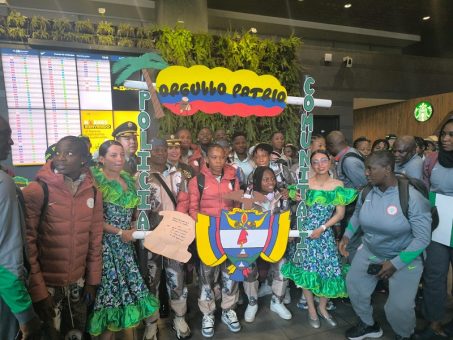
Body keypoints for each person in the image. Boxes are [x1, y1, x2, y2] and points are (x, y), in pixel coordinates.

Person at [339, 151, 431, 340]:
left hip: (405, 256)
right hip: (371, 250)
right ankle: (368, 325)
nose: (366, 173)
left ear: (387, 169)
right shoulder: (366, 192)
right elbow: (357, 214)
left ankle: (405, 334)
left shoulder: (412, 198)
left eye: (370, 169)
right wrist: (347, 235)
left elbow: (422, 238)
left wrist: (395, 263)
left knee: (398, 308)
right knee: (354, 285)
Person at [22, 136, 103, 339]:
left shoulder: (92, 191)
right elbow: (27, 245)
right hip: (48, 286)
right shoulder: (38, 189)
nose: (61, 158)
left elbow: (94, 239)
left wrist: (93, 281)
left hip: (78, 285)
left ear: (84, 159)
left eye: (69, 153)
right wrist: (39, 291)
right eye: (58, 152)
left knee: (76, 333)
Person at [87, 140, 159, 339]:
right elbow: (94, 220)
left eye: (121, 155)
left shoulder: (128, 179)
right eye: (113, 155)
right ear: (101, 159)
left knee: (128, 297)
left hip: (126, 248)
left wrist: (135, 223)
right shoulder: (95, 181)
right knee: (109, 298)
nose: (119, 159)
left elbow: (132, 213)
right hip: (106, 248)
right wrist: (120, 232)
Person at [283, 151, 356, 328]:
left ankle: (323, 307)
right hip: (305, 234)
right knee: (306, 273)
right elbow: (288, 198)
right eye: (315, 162)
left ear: (330, 162)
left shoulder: (337, 184)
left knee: (330, 272)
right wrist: (296, 198)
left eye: (324, 161)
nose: (320, 165)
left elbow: (340, 214)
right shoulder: (305, 183)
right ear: (311, 165)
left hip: (324, 234)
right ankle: (311, 310)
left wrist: (322, 228)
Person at [136, 138, 191, 340]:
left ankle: (179, 317)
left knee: (176, 278)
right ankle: (151, 322)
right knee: (151, 280)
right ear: (148, 153)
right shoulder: (141, 177)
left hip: (174, 236)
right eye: (155, 150)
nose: (160, 152)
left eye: (163, 149)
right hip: (150, 237)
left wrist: (180, 225)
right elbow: (137, 209)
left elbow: (185, 202)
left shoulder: (178, 176)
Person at [187, 144, 241, 338]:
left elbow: (237, 205)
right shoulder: (198, 180)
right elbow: (193, 209)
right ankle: (208, 313)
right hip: (208, 236)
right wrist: (204, 228)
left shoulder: (233, 178)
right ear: (207, 159)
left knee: (230, 274)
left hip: (229, 234)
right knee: (207, 276)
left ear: (226, 158)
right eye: (214, 157)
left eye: (222, 157)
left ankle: (228, 310)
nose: (218, 161)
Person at [0, 116, 41, 340]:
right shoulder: (4, 186)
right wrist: (25, 315)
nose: (11, 143)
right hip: (6, 299)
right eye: (5, 135)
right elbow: (6, 259)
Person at [417, 118, 453, 339]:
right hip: (439, 225)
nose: (446, 138)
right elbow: (425, 189)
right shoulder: (432, 159)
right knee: (434, 274)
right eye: (444, 134)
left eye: (452, 135)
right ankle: (434, 322)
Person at [242, 166, 293, 323]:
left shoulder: (281, 195)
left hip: (275, 239)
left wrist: (287, 234)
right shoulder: (248, 196)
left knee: (282, 266)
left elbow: (287, 216)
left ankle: (276, 302)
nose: (270, 182)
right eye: (265, 179)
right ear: (257, 181)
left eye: (272, 178)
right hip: (254, 240)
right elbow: (244, 219)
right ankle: (252, 303)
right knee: (248, 267)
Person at [326, 131, 367, 261]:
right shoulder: (350, 154)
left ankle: (353, 273)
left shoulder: (349, 161)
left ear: (331, 146)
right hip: (352, 208)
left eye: (327, 146)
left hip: (355, 209)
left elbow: (364, 187)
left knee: (350, 244)